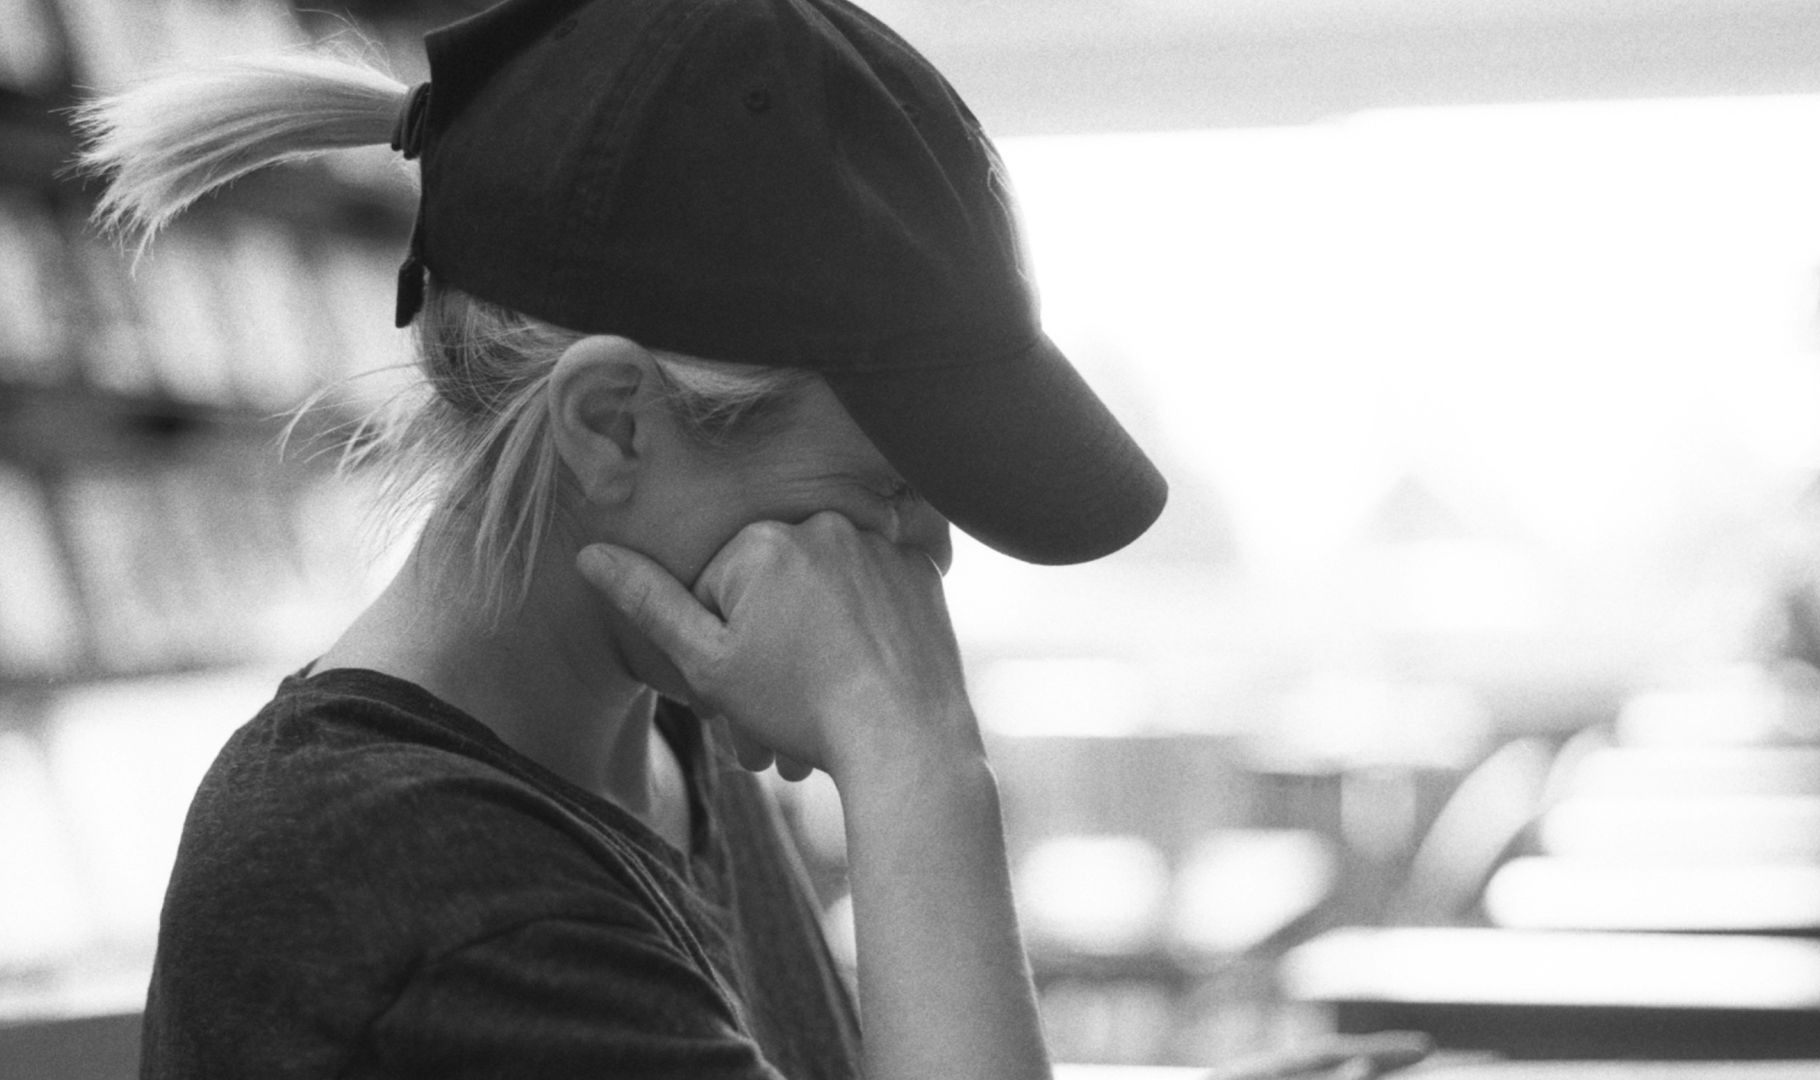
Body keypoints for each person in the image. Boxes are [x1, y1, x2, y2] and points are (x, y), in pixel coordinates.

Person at [75, 1, 1167, 1077]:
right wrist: (918, 765)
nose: (920, 560)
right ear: (612, 423)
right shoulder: (424, 889)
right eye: (889, 486)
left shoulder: (668, 734)